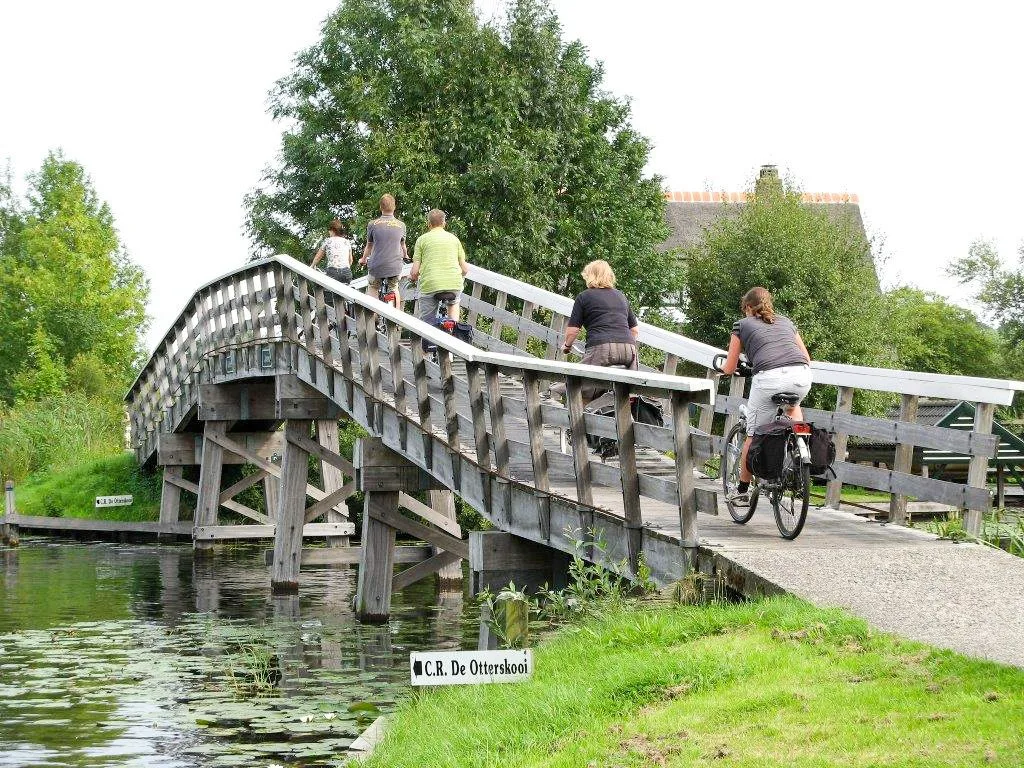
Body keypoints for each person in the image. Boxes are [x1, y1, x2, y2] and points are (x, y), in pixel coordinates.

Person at [719, 286, 812, 506]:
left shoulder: (741, 325)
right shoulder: (787, 322)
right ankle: (800, 445)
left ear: (748, 307)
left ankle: (742, 490)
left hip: (769, 379)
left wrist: (722, 369)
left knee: (753, 434)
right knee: (793, 406)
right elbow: (806, 357)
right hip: (801, 375)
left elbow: (730, 366)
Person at [551, 260, 638, 401]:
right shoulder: (621, 296)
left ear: (590, 276)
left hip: (602, 347)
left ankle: (556, 396)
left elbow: (573, 331)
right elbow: (634, 330)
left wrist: (567, 346)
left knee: (580, 383)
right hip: (629, 350)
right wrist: (622, 343)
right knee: (625, 390)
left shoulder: (584, 296)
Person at [409, 208, 469, 323]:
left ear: (428, 224)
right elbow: (465, 269)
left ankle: (428, 336)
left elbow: (415, 271)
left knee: (427, 321)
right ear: (444, 223)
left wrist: (413, 277)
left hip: (431, 284)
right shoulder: (454, 239)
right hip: (454, 284)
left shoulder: (422, 240)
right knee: (454, 303)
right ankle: (453, 330)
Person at [360, 193, 408, 308]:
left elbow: (369, 246)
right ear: (394, 207)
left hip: (376, 265)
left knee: (373, 287)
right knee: (394, 287)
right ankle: (396, 319)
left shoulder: (373, 224)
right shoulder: (401, 225)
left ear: (380, 207)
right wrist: (405, 255)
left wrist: (363, 259)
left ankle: (374, 317)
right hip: (394, 266)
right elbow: (403, 245)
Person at [310, 219, 353, 284]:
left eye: (329, 230)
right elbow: (350, 260)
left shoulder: (328, 241)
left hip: (333, 273)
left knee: (324, 288)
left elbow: (318, 257)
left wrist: (312, 266)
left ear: (332, 230)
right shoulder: (346, 242)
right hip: (346, 273)